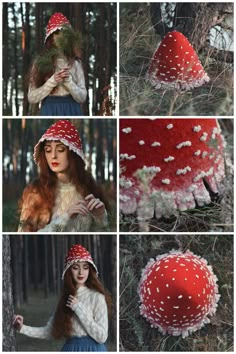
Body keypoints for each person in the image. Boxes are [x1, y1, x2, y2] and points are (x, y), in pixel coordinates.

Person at [13, 244, 111, 351]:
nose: (81, 272)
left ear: (90, 270)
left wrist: (78, 308)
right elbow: (50, 331)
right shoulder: (66, 300)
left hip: (93, 349)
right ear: (69, 271)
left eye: (85, 267)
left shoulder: (97, 297)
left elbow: (102, 336)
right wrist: (22, 328)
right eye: (75, 267)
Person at [18, 120, 109, 232]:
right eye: (48, 150)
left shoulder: (89, 188)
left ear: (73, 153)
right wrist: (65, 218)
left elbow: (103, 234)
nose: (53, 156)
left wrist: (100, 217)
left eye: (60, 149)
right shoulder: (36, 192)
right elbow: (23, 233)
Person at [28, 12, 87, 116]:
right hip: (49, 109)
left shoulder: (76, 63)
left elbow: (82, 97)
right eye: (57, 33)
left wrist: (69, 82)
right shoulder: (41, 62)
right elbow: (32, 97)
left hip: (72, 109)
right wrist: (52, 81)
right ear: (51, 37)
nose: (61, 37)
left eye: (65, 33)